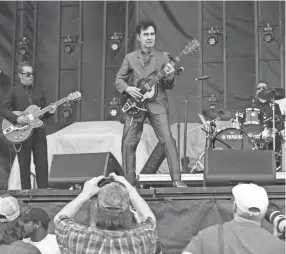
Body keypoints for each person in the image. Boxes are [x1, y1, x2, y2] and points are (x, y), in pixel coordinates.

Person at [114, 19, 186, 187]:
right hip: (136, 104)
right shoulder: (130, 58)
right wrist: (128, 89)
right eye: (146, 34)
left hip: (157, 103)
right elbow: (118, 79)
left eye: (152, 34)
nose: (149, 37)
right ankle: (129, 183)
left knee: (167, 139)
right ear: (139, 37)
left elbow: (169, 85)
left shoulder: (164, 56)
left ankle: (177, 180)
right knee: (128, 143)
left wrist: (169, 75)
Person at [54, 173, 159, 254]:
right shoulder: (141, 239)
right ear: (128, 212)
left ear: (95, 210)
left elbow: (59, 219)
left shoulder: (79, 238)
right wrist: (130, 189)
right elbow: (150, 219)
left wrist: (85, 194)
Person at [182, 183, 285, 254]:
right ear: (263, 213)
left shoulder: (206, 237)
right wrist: (276, 244)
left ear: (235, 207)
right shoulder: (279, 247)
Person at [0, 61, 57, 189]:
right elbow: (2, 109)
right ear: (20, 75)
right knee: (24, 164)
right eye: (27, 74)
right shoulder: (14, 90)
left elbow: (42, 112)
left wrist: (50, 111)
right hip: (22, 132)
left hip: (38, 132)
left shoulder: (38, 90)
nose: (31, 76)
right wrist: (17, 118)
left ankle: (43, 191)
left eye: (32, 74)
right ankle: (26, 194)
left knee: (42, 162)